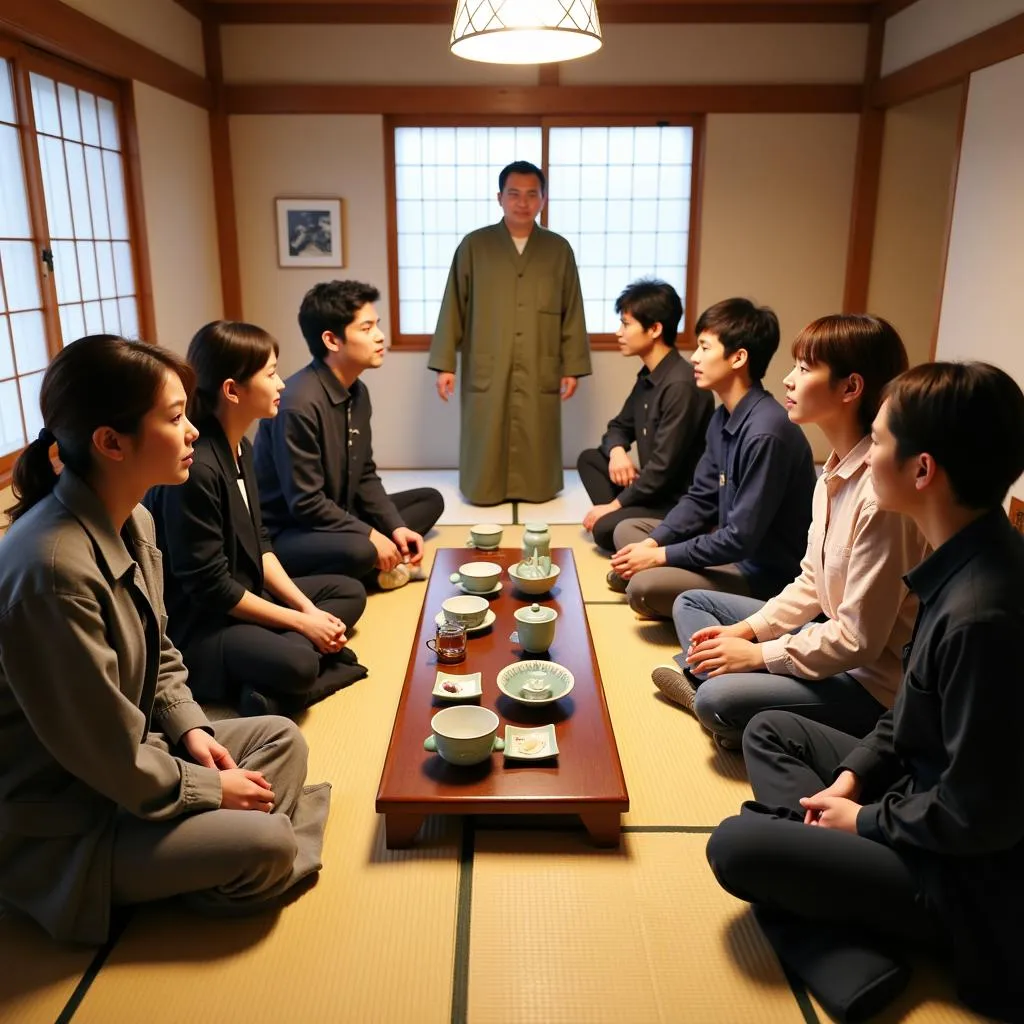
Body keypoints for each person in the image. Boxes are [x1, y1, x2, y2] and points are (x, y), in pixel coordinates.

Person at [706, 361, 1024, 1023]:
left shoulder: (982, 614)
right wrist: (852, 781)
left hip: (959, 874)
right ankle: (824, 882)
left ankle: (848, 950)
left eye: (877, 442)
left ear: (922, 470)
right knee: (769, 731)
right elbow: (910, 706)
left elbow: (982, 817)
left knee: (737, 846)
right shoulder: (963, 557)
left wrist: (865, 822)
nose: (862, 456)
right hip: (913, 791)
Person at [0, 334, 329, 945]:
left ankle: (210, 851)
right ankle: (228, 856)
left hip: (135, 763)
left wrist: (192, 729)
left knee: (279, 738)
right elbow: (102, 755)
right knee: (268, 838)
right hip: (72, 820)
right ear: (110, 442)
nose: (193, 433)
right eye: (175, 418)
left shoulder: (137, 519)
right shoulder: (53, 573)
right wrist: (208, 788)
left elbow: (164, 656)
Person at [653, 314, 925, 749]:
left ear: (850, 388)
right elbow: (811, 582)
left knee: (718, 698)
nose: (788, 379)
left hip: (869, 685)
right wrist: (747, 633)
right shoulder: (832, 471)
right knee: (693, 603)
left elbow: (858, 641)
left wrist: (760, 654)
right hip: (826, 644)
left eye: (803, 367)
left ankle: (714, 695)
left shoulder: (881, 495)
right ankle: (725, 688)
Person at [145, 321, 369, 718]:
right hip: (204, 627)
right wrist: (302, 625)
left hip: (247, 597)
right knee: (298, 663)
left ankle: (269, 686)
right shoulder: (196, 471)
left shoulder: (241, 447)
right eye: (270, 373)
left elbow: (261, 544)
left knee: (349, 592)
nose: (281, 383)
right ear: (232, 390)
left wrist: (308, 613)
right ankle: (280, 684)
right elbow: (210, 589)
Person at [608, 298, 815, 620]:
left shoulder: (766, 432)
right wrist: (654, 546)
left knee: (643, 589)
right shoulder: (723, 416)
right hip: (723, 546)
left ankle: (648, 578)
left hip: (761, 573)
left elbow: (740, 540)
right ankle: (645, 568)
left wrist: (660, 557)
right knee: (629, 531)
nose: (695, 358)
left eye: (705, 348)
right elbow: (699, 497)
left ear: (738, 357)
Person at [254, 280, 444, 590]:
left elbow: (365, 474)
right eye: (367, 328)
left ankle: (382, 560)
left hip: (338, 512)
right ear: (332, 340)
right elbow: (306, 504)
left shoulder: (357, 391)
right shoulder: (297, 404)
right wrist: (371, 535)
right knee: (362, 549)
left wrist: (394, 528)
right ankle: (372, 566)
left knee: (429, 500)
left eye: (377, 326)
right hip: (290, 531)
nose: (380, 336)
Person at [428, 159, 592, 505]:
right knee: (485, 428)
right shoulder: (475, 246)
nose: (523, 202)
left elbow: (572, 311)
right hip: (487, 358)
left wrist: (571, 366)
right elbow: (452, 306)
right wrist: (446, 364)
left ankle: (537, 488)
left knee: (536, 427)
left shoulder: (558, 249)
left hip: (538, 359)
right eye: (514, 194)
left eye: (532, 194)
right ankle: (483, 488)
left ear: (543, 200)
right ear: (499, 197)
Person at [577, 278, 714, 552]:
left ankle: (623, 522)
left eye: (626, 324)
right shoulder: (649, 376)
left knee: (604, 530)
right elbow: (618, 426)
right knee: (590, 459)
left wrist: (613, 507)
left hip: (674, 500)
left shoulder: (681, 385)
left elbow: (663, 470)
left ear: (654, 329)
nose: (619, 332)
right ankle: (622, 518)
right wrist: (617, 450)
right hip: (651, 488)